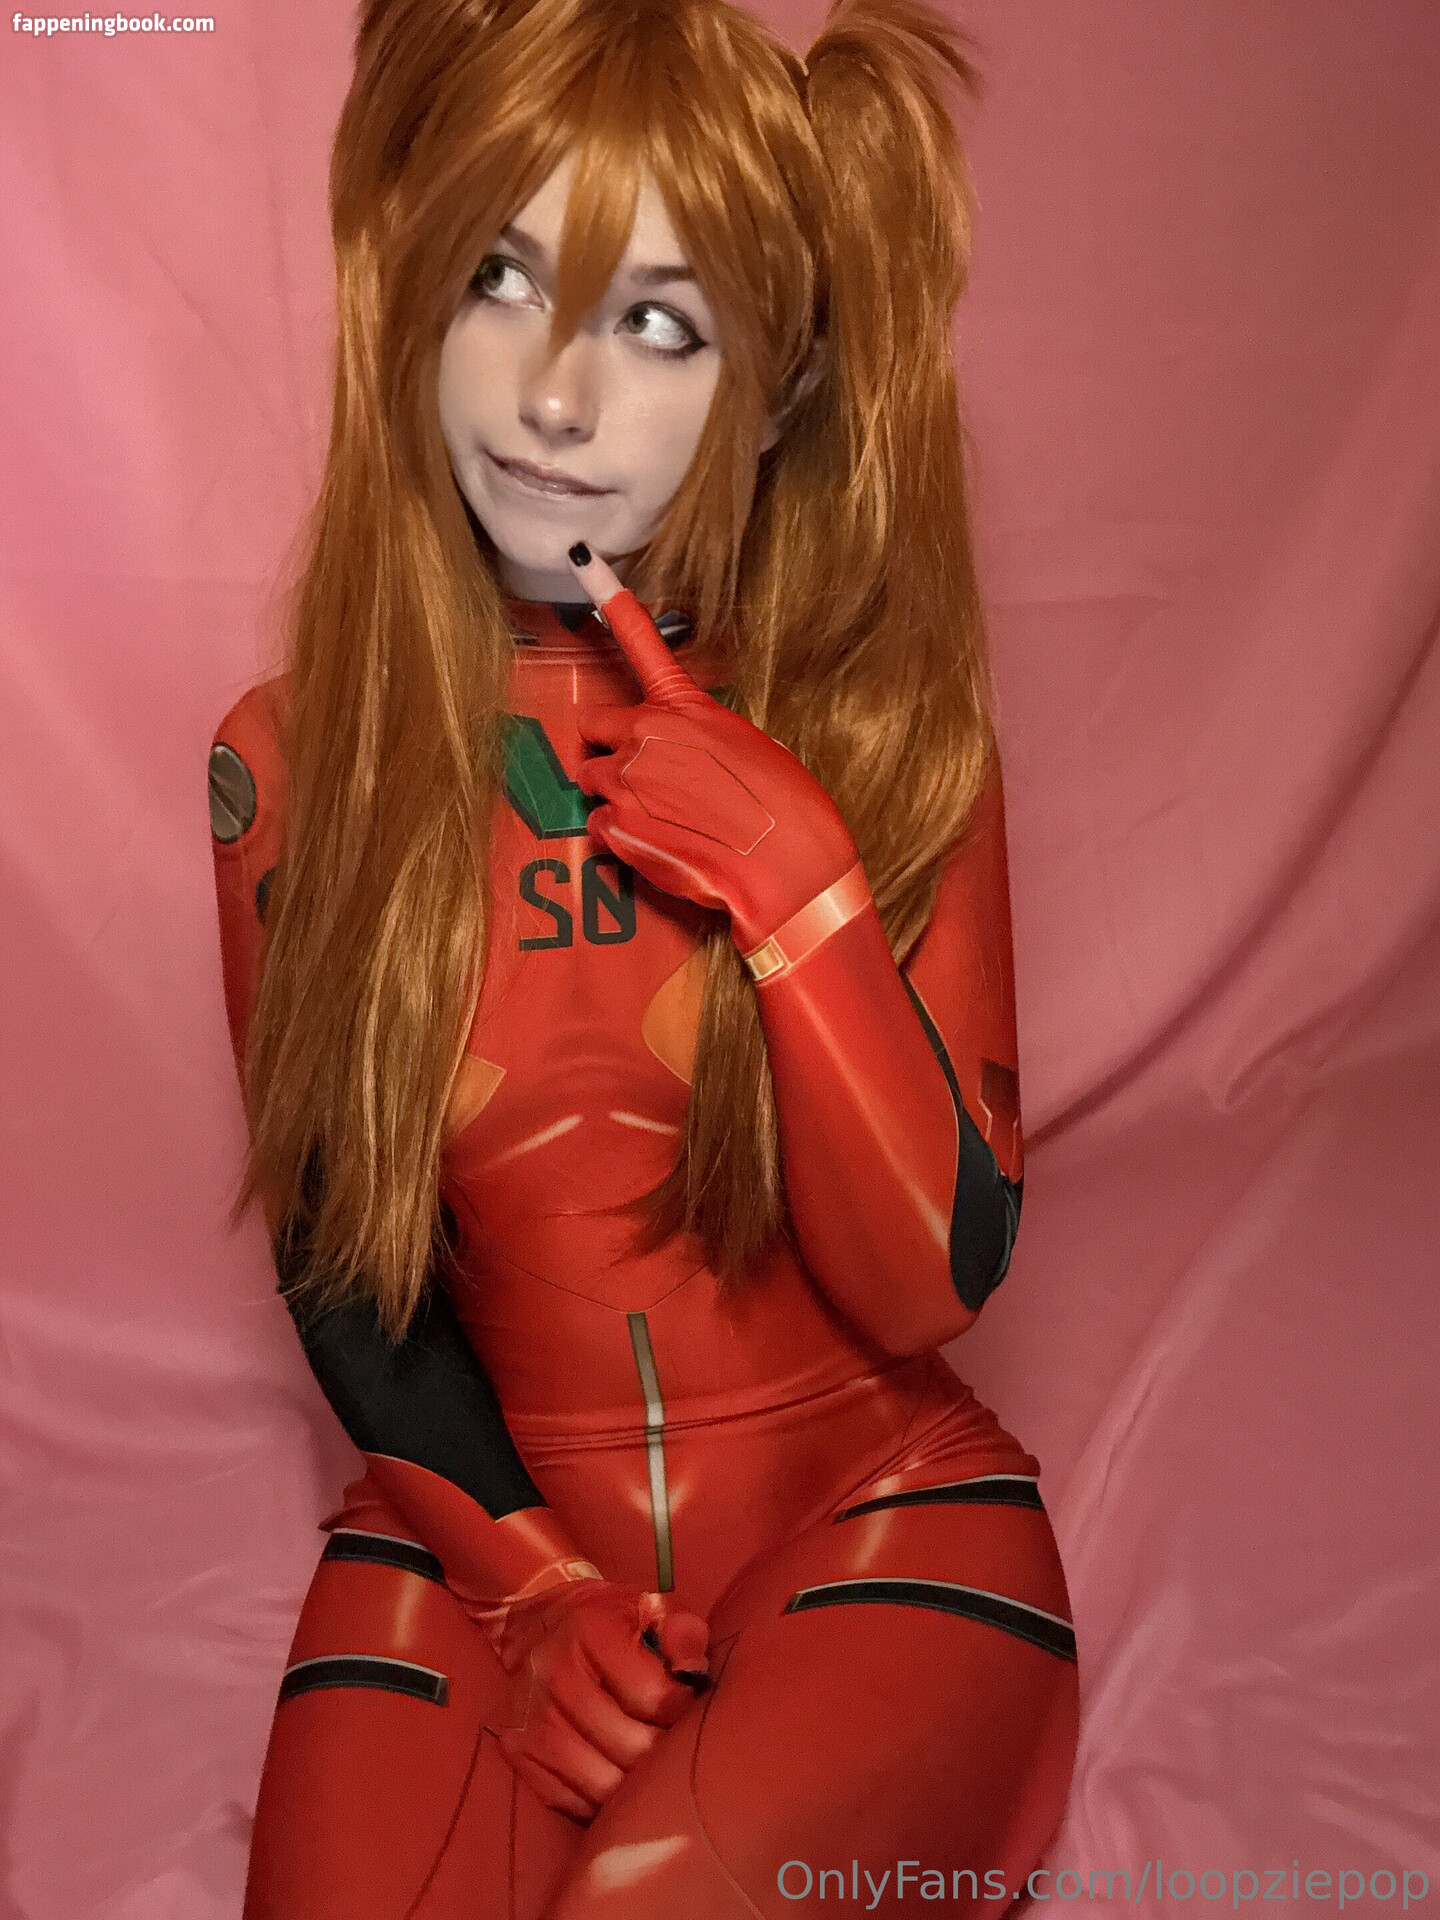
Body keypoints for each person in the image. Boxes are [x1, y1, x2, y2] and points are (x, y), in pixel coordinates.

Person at [208, 0, 1079, 1911]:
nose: (553, 396)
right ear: (410, 289)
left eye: (660, 324)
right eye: (503, 278)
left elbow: (935, 1283)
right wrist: (529, 1590)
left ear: (776, 384)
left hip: (879, 1520)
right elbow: (347, 1276)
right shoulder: (286, 768)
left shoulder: (891, 737)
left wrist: (801, 892)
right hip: (478, 1548)